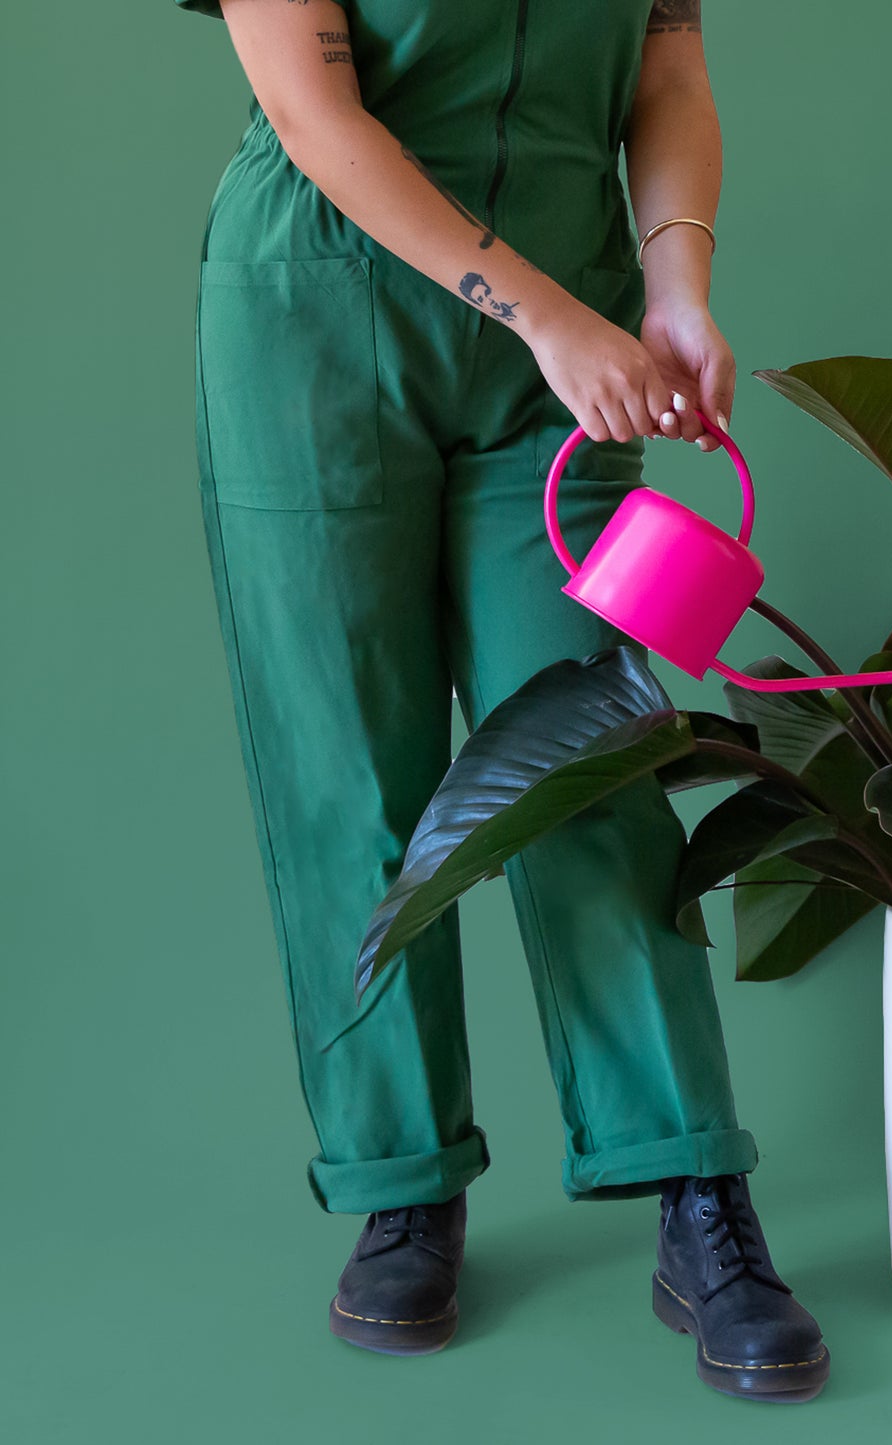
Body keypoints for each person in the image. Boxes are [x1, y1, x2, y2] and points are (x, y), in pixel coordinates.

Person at [174, 0, 830, 1403]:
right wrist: (542, 314)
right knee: (349, 768)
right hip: (316, 319)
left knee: (591, 754)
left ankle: (690, 1179)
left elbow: (664, 65)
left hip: (576, 339)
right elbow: (311, 110)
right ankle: (401, 1180)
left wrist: (673, 293)